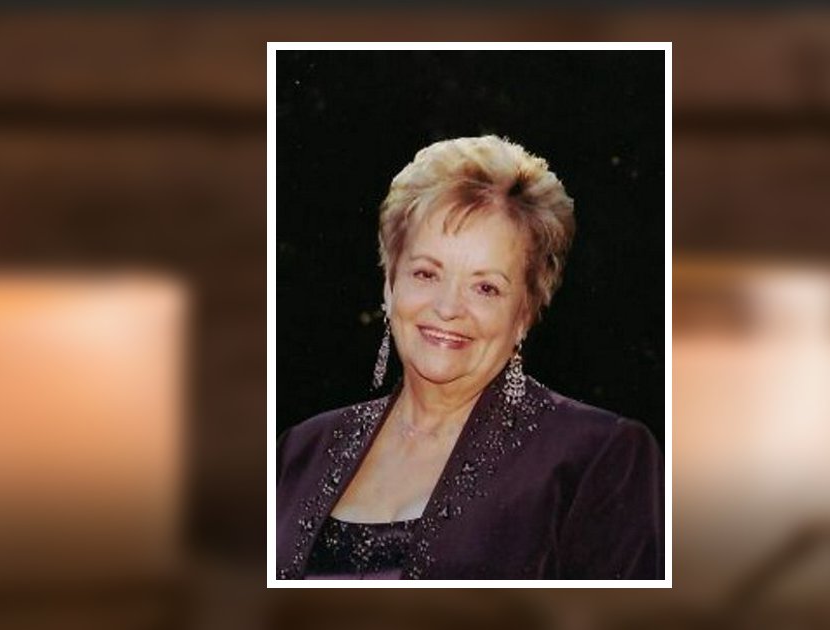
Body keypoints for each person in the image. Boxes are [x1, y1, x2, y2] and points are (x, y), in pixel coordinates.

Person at [276, 135, 662, 579]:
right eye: (426, 273)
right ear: (390, 285)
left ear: (525, 313)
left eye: (485, 287)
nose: (447, 308)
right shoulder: (299, 451)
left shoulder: (598, 459)